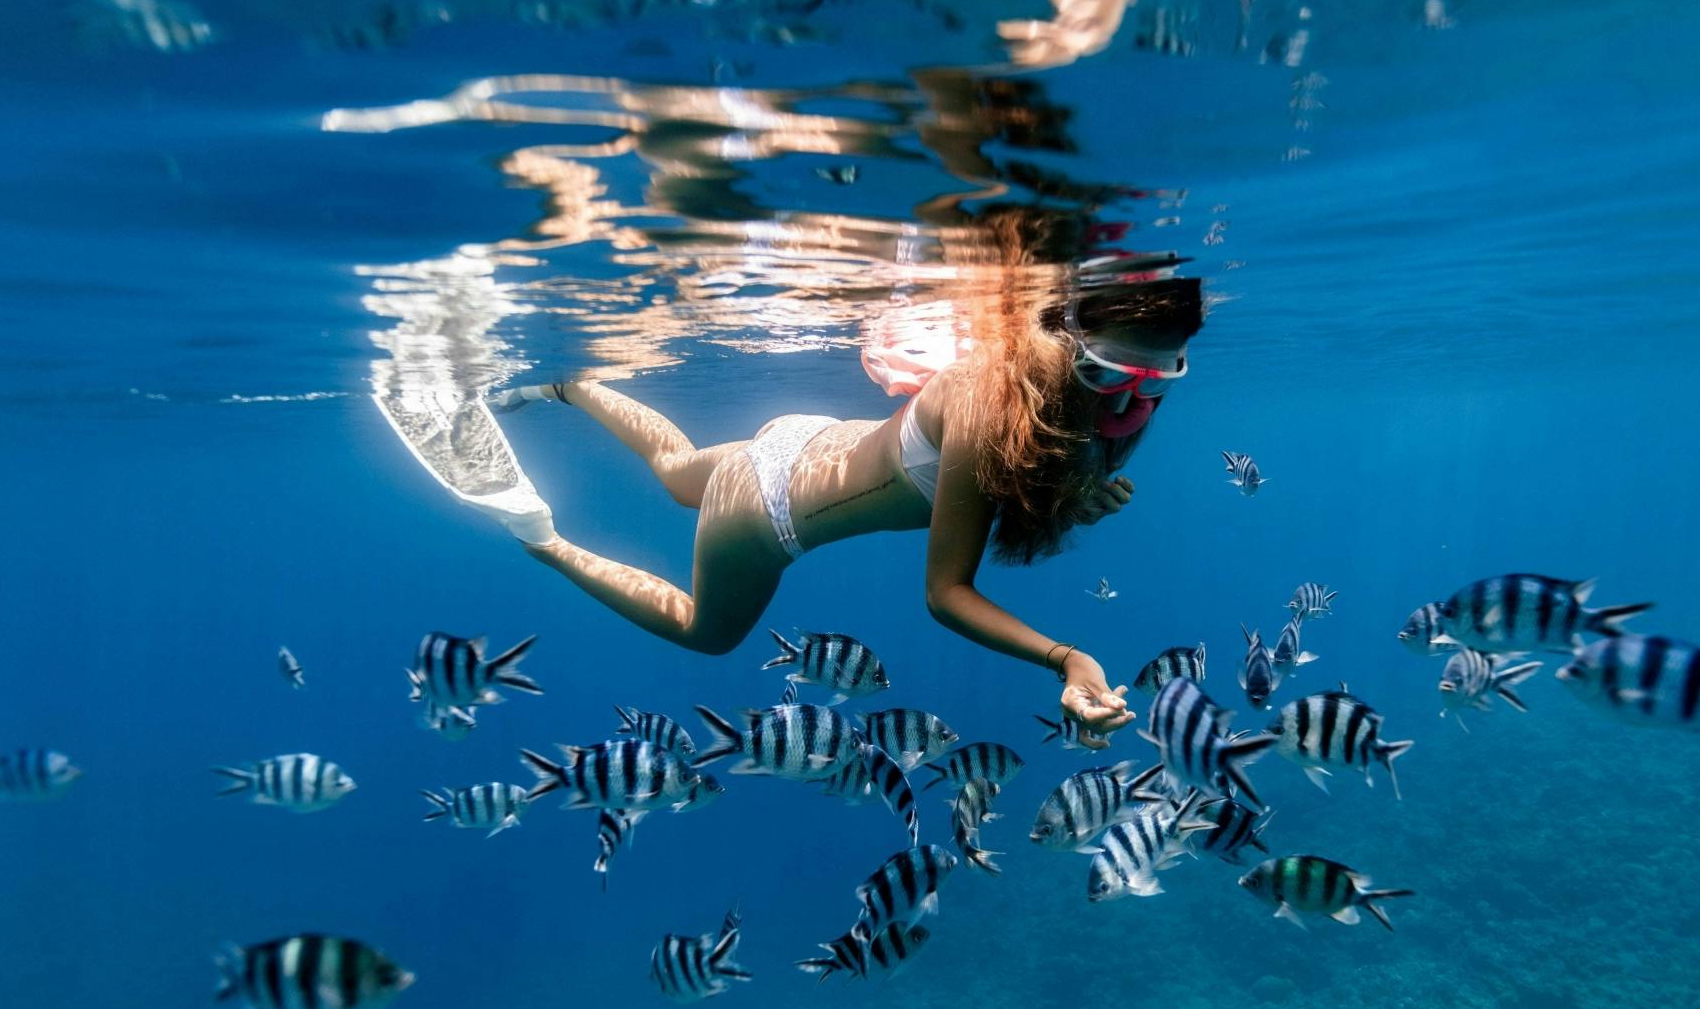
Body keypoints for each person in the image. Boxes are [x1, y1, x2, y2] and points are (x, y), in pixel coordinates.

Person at [484, 256, 1203, 747]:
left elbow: (1016, 473)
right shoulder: (991, 401)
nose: (1133, 398)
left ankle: (571, 385)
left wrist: (1071, 494)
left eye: (1157, 378)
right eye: (1110, 373)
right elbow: (945, 593)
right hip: (764, 510)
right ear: (1064, 337)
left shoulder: (1071, 390)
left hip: (802, 442)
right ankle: (542, 537)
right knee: (707, 633)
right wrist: (1066, 658)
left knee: (675, 473)